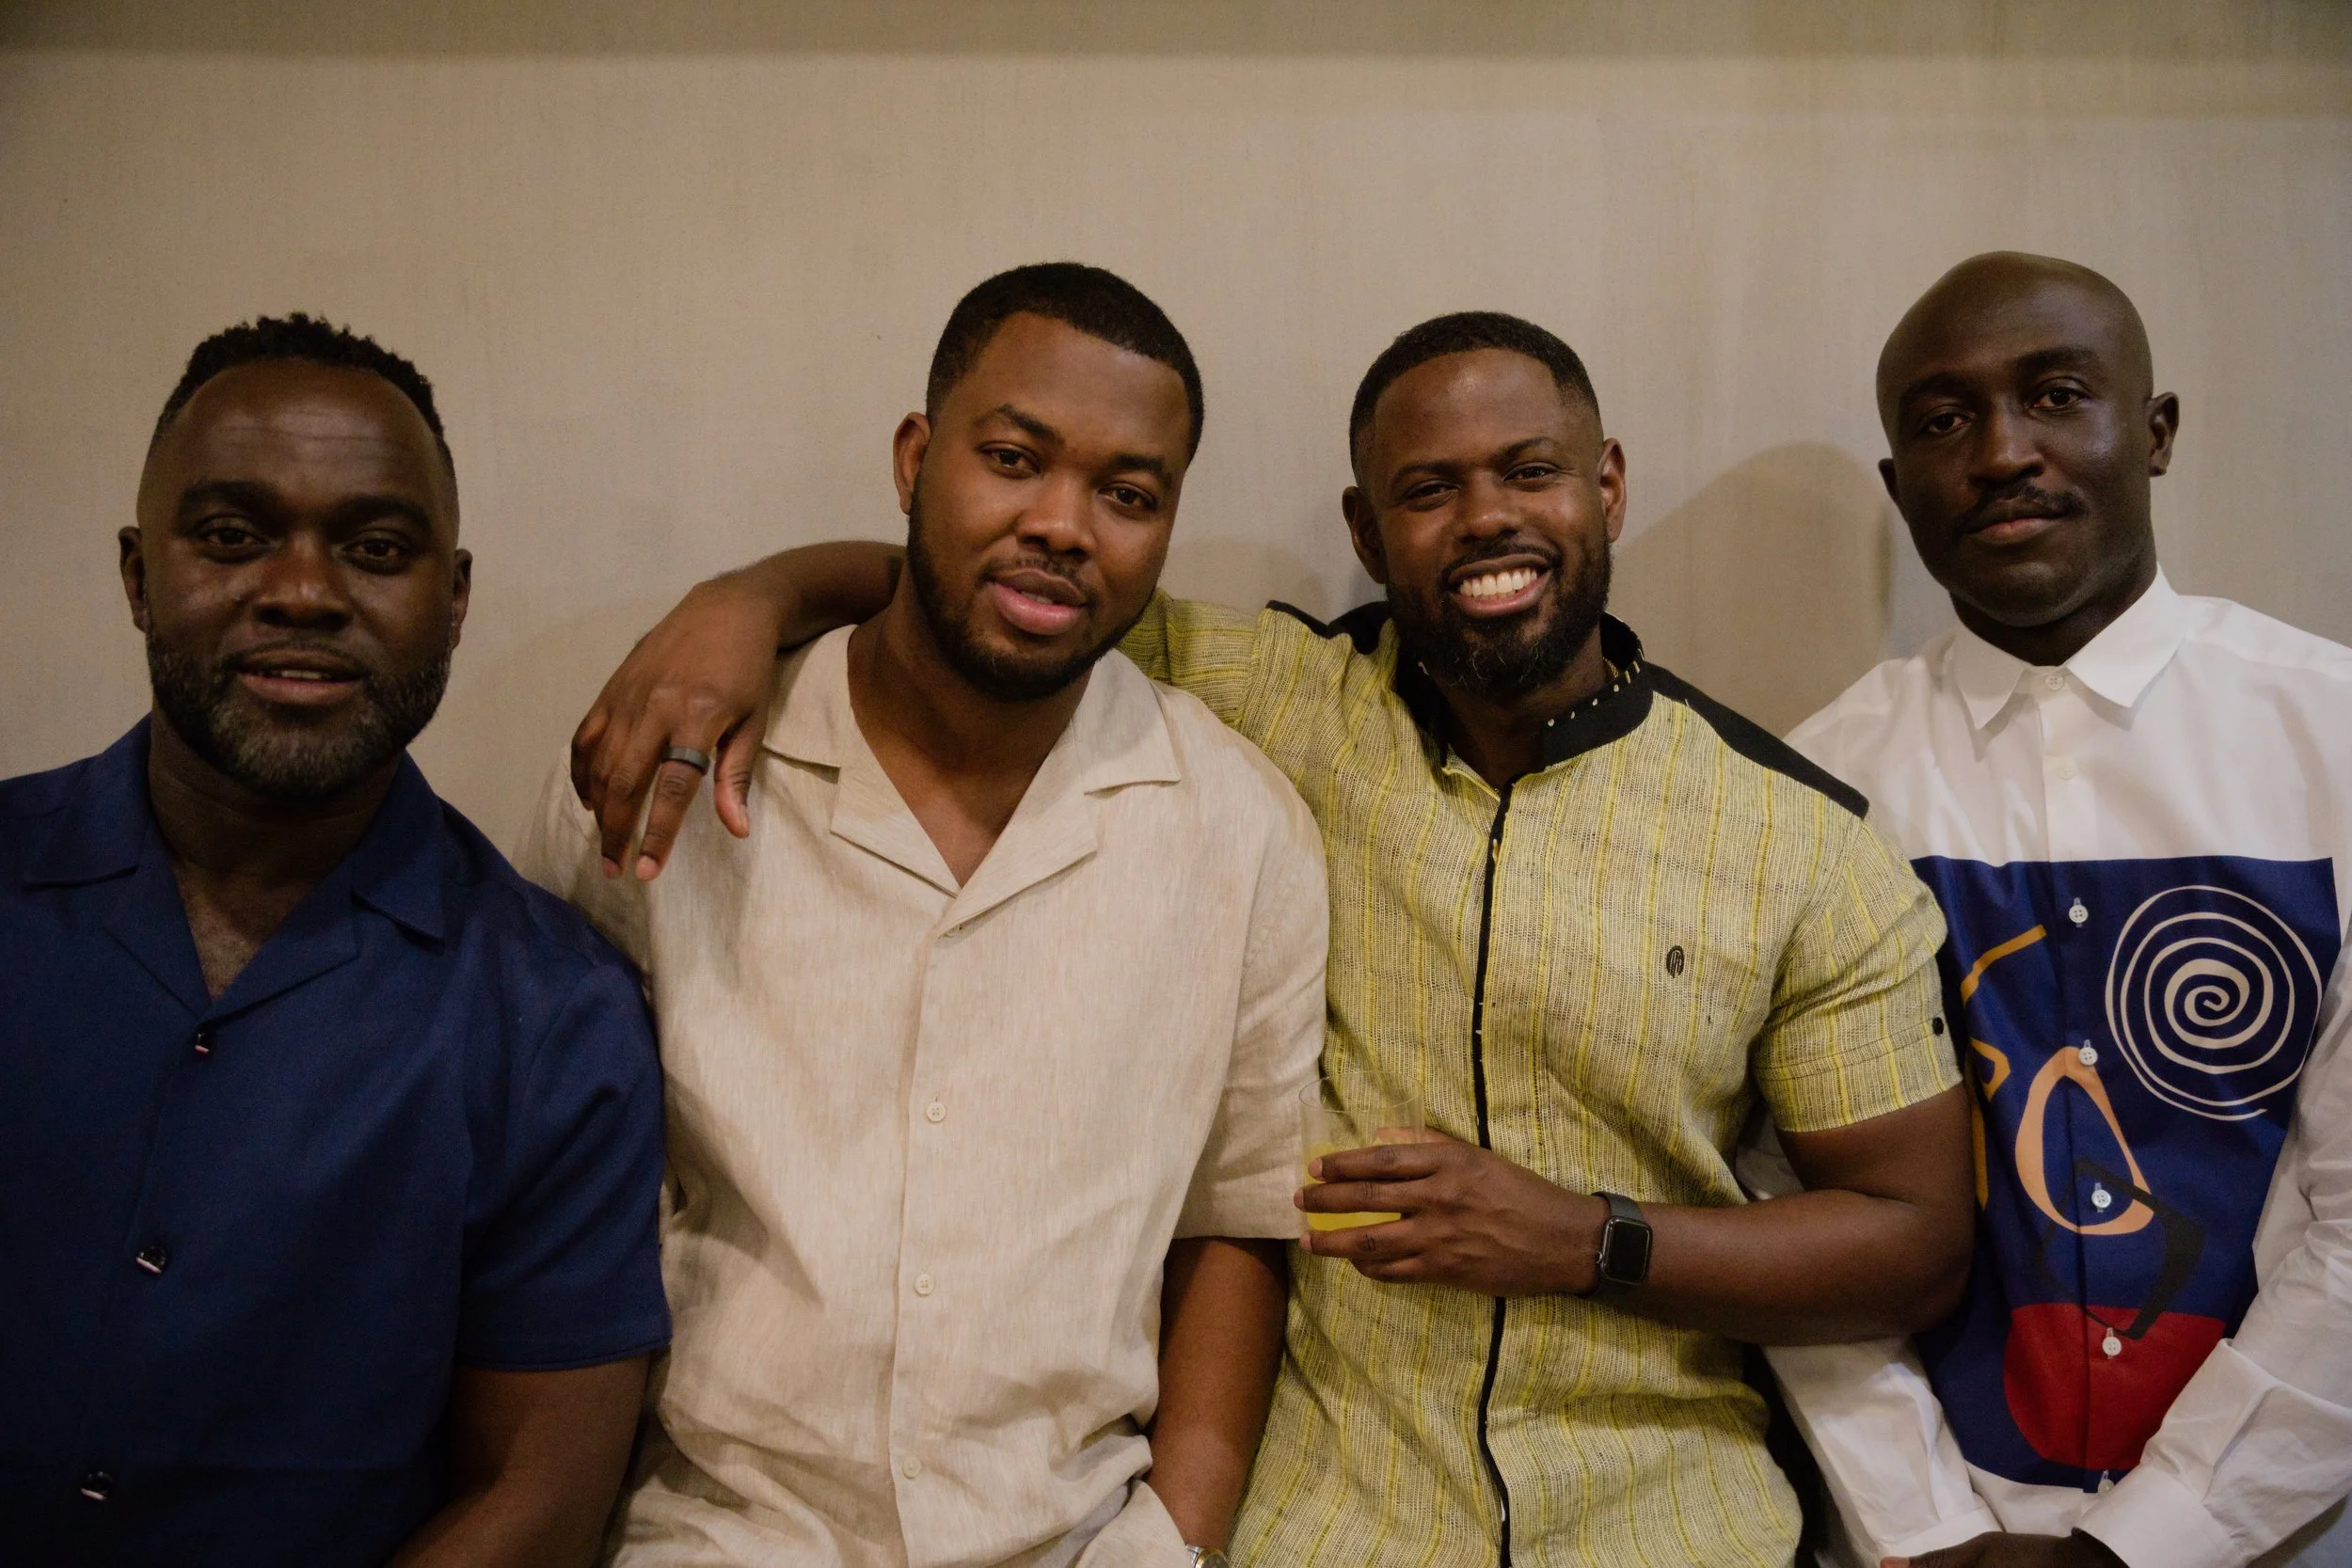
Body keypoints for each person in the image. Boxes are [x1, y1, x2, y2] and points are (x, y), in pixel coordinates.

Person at [562, 309, 1978, 1568]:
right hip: (1323, 1519)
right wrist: (740, 603)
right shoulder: (1280, 702)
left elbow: (1915, 1243)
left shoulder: (1801, 842)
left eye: (1531, 472)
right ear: (1368, 533)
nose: (1486, 518)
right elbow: (1003, 589)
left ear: (1605, 485)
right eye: (1428, 490)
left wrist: (1585, 1241)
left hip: (1671, 1515)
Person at [516, 262, 1327, 1567]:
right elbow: (537, 1193)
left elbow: (1235, 1221)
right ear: (914, 458)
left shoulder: (1237, 829)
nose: (1064, 524)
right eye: (1014, 458)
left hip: (1075, 1536)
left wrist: (1171, 1539)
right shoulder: (675, 771)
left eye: (1129, 494)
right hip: (718, 1533)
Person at [0, 316, 670, 1568]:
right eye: (232, 536)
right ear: (140, 573)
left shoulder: (556, 1017)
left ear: (454, 600)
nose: (303, 592)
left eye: (374, 548)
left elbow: (539, 1499)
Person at [1756, 252, 2352, 1568]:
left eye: (2057, 395)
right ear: (1896, 481)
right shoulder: (1811, 794)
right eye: (1943, 420)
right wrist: (1924, 1525)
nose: (2002, 453)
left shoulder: (2335, 739)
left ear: (2155, 433)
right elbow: (1788, 1201)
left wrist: (2145, 1544)